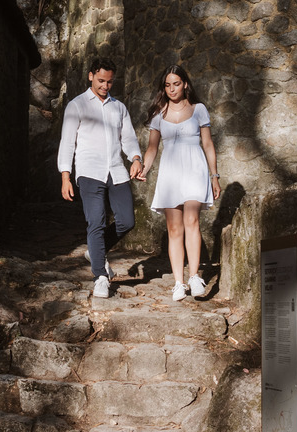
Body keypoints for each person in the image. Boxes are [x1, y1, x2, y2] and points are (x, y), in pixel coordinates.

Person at [57, 57, 144, 298]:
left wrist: (136, 158)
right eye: (101, 80)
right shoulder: (76, 105)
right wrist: (66, 176)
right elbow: (67, 143)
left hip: (116, 170)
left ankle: (95, 250)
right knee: (96, 222)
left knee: (127, 221)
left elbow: (128, 139)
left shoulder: (119, 107)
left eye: (110, 82)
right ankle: (101, 277)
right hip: (89, 171)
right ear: (91, 76)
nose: (106, 86)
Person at [139, 65, 220, 301]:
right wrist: (144, 169)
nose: (172, 89)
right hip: (170, 173)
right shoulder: (158, 113)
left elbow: (208, 145)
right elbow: (152, 148)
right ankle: (178, 282)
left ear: (185, 84)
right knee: (174, 229)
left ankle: (194, 276)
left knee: (192, 219)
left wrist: (214, 176)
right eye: (167, 85)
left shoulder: (199, 109)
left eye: (176, 83)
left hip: (195, 168)